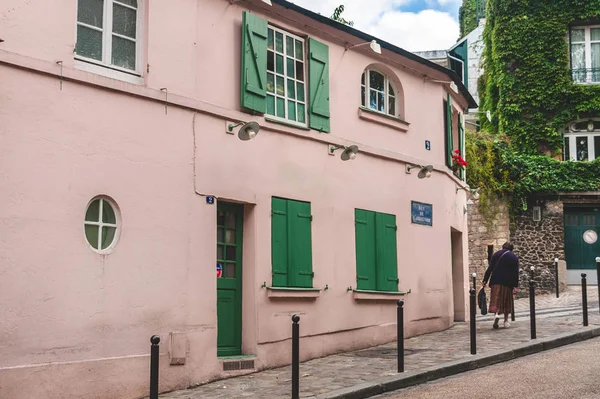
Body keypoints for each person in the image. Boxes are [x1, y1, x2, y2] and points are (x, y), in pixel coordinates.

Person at [482, 242, 519, 329]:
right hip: (508, 283)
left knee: (496, 298)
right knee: (506, 301)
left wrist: (485, 280)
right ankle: (506, 321)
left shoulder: (496, 254)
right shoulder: (514, 257)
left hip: (496, 281)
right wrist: (515, 286)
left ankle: (496, 314)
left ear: (503, 247)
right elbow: (515, 273)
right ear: (511, 249)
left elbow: (490, 268)